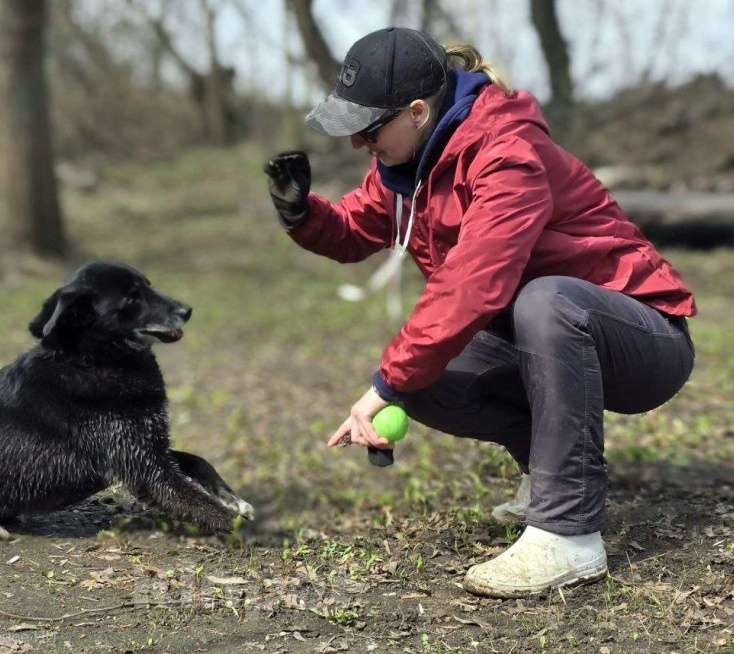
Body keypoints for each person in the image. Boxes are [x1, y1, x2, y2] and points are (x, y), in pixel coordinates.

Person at [263, 27, 695, 598]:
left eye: (368, 130)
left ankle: (569, 533)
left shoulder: (506, 152)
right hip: (548, 334)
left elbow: (475, 282)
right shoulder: (409, 168)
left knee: (545, 301)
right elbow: (350, 232)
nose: (358, 145)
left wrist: (384, 386)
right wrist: (298, 212)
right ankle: (545, 477)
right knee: (426, 373)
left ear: (417, 111)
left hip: (644, 338)